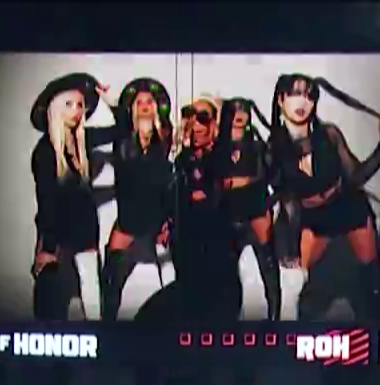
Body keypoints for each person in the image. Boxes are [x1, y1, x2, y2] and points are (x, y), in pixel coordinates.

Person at [268, 73, 380, 319]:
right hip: (313, 218)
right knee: (300, 291)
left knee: (373, 282)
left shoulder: (329, 134)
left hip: (347, 207)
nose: (302, 102)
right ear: (281, 99)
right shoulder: (273, 148)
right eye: (295, 93)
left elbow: (356, 177)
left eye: (309, 96)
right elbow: (285, 202)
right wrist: (288, 245)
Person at [27, 73, 113, 319]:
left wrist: (110, 101)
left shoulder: (84, 139)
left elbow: (122, 130)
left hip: (85, 229)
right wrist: (48, 247)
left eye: (80, 105)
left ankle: (98, 335)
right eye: (68, 104)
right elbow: (47, 201)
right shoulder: (45, 151)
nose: (76, 111)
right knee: (49, 299)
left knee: (92, 293)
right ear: (54, 108)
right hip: (57, 232)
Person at [98, 78, 177, 321]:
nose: (144, 105)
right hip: (129, 218)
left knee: (173, 271)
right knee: (111, 278)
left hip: (157, 216)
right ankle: (107, 324)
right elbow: (121, 121)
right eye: (139, 102)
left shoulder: (164, 135)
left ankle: (176, 321)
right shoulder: (123, 136)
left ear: (156, 107)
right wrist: (111, 102)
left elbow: (167, 183)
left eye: (149, 101)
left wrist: (169, 221)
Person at [166, 96, 243, 320]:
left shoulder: (222, 156)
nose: (196, 124)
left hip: (216, 252)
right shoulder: (182, 159)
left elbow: (214, 192)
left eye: (202, 117)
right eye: (191, 117)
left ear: (214, 125)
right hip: (186, 250)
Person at [215, 97, 284, 318]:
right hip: (229, 214)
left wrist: (268, 203)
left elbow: (274, 178)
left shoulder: (257, 145)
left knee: (268, 264)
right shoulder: (218, 146)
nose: (240, 114)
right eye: (235, 110)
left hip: (256, 209)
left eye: (244, 110)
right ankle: (226, 316)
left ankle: (274, 315)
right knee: (225, 271)